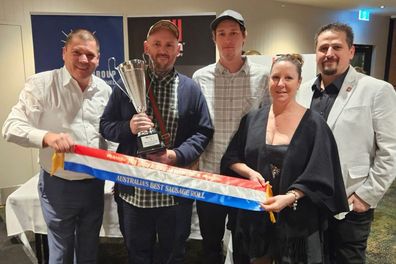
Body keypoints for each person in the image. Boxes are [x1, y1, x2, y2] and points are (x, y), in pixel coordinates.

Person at [99, 20, 214, 264]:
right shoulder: (125, 85)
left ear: (178, 49)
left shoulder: (190, 88)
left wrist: (177, 155)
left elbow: (203, 131)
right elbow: (106, 126)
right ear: (146, 47)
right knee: (137, 254)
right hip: (134, 193)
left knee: (173, 255)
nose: (163, 50)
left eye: (169, 44)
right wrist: (128, 126)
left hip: (174, 192)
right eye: (157, 43)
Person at [221, 54, 349, 264]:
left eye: (288, 78)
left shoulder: (315, 125)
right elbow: (231, 158)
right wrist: (249, 172)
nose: (280, 84)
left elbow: (322, 174)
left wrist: (289, 197)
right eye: (275, 77)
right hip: (257, 218)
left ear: (299, 82)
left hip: (297, 222)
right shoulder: (252, 119)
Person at [2, 29, 112, 263]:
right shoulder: (41, 84)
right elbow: (10, 127)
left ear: (98, 59)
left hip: (94, 185)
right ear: (64, 53)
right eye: (77, 53)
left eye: (90, 55)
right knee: (60, 254)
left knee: (89, 249)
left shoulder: (104, 89)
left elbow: (107, 135)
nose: (84, 60)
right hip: (59, 185)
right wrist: (47, 137)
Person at [297, 23, 396, 263]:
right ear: (316, 53)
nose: (329, 53)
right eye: (323, 48)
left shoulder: (376, 90)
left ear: (351, 51)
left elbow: (390, 151)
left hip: (350, 200)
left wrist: (366, 196)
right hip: (309, 201)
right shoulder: (302, 90)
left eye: (337, 46)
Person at [192, 10, 270, 263]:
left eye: (234, 33)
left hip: (245, 178)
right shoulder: (200, 78)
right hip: (210, 176)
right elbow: (196, 126)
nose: (228, 40)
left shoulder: (263, 78)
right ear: (214, 38)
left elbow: (269, 125)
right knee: (210, 244)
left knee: (244, 245)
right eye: (222, 34)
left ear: (244, 37)